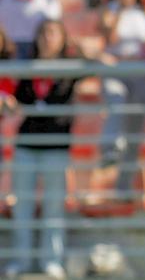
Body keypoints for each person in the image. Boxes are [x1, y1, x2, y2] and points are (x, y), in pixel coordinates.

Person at [4, 20, 79, 279]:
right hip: (27, 144)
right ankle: (21, 259)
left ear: (62, 38)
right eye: (43, 33)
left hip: (56, 146)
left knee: (53, 206)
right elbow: (15, 99)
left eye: (53, 33)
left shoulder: (70, 69)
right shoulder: (27, 69)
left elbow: (98, 65)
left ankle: (51, 260)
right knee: (22, 204)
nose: (47, 38)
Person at [97, 0, 145, 201]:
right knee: (116, 102)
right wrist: (120, 10)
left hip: (140, 74)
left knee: (135, 132)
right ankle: (110, 149)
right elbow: (108, 37)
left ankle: (124, 187)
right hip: (116, 71)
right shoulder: (109, 11)